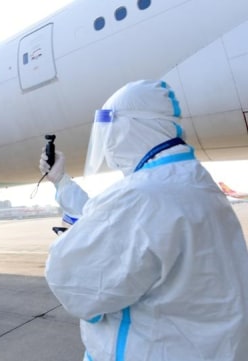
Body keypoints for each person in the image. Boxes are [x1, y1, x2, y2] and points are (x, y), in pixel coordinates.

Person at [39, 80, 248, 361]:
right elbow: (121, 226)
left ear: (129, 128)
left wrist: (69, 241)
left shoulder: (141, 196)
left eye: (110, 132)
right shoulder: (190, 182)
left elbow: (75, 285)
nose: (109, 143)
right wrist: (61, 182)